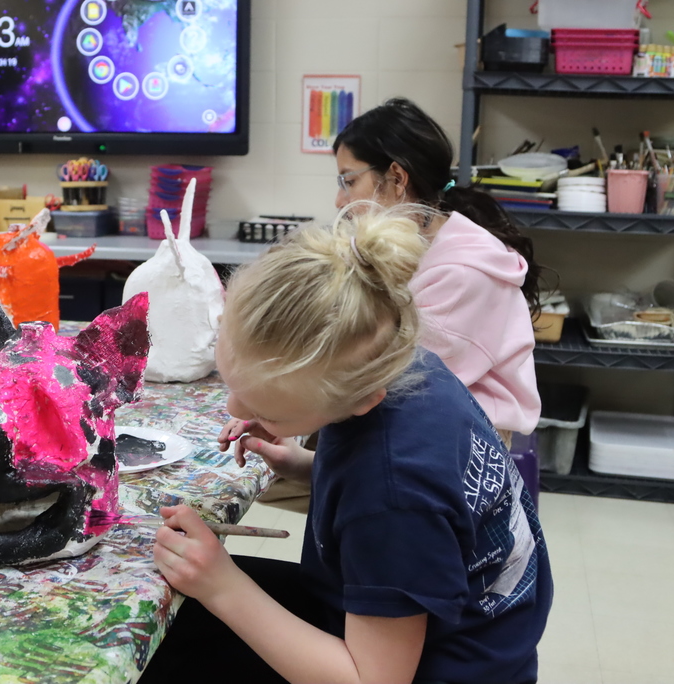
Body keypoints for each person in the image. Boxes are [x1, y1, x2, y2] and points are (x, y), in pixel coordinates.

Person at [141, 205, 552, 684]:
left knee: (176, 627)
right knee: (166, 606)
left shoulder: (393, 501)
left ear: (358, 398)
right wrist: (305, 464)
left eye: (268, 410)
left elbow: (372, 680)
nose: (235, 410)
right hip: (414, 626)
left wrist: (223, 587)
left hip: (436, 669)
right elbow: (433, 507)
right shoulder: (405, 367)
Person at [333, 98, 543, 443]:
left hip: (459, 442)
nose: (340, 202)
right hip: (416, 420)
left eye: (349, 181)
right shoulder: (413, 244)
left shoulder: (461, 272)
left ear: (397, 177)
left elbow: (393, 375)